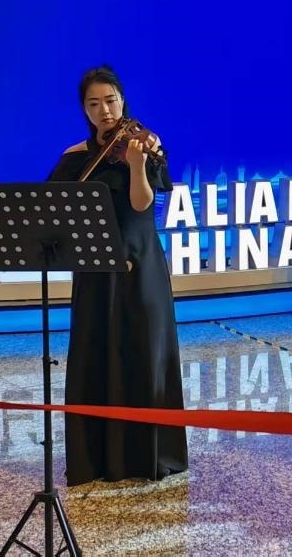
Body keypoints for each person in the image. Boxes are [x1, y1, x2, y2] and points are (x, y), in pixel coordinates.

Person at [48, 65, 187, 485]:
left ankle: (147, 458)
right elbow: (54, 209)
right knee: (96, 350)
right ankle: (95, 460)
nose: (104, 111)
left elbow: (142, 205)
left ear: (122, 100)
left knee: (144, 348)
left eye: (110, 101)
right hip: (94, 265)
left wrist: (137, 164)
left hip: (140, 262)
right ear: (84, 110)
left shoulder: (144, 145)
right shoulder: (76, 157)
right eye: (94, 104)